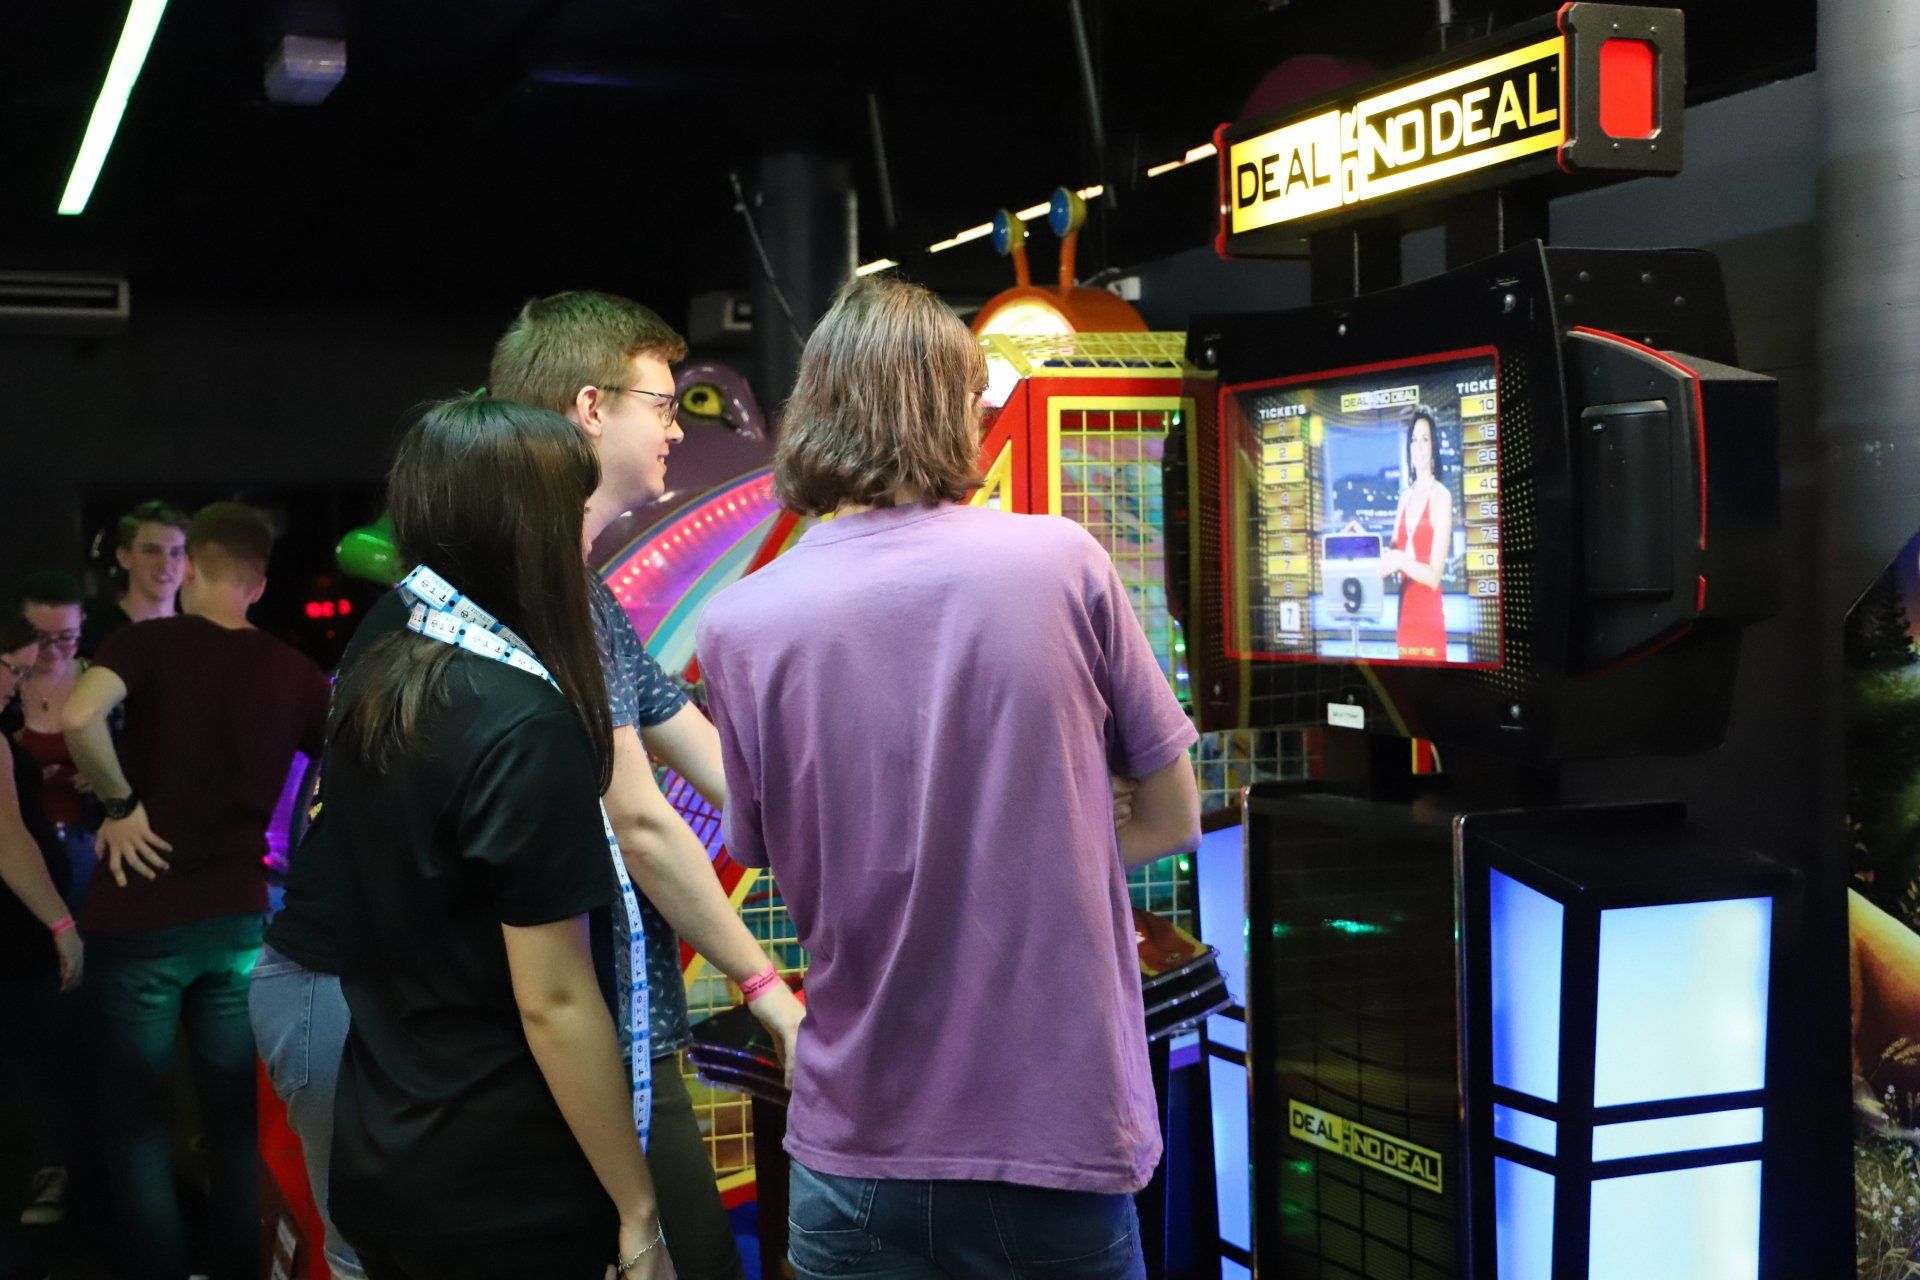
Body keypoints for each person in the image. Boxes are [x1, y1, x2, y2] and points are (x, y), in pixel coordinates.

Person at [257, 291, 800, 1280]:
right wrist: (766, 988)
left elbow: (706, 762)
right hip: (452, 1044)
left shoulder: (505, 618)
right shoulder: (516, 672)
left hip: (442, 1050)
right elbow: (629, 841)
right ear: (586, 413)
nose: (678, 427)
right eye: (663, 402)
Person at [696, 275, 1203, 1280]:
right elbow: (1174, 813)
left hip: (850, 1157)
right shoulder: (1062, 561)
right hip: (1056, 1143)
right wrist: (1050, 848)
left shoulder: (739, 623)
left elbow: (773, 852)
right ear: (948, 407)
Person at [320, 394, 673, 1280]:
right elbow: (552, 1003)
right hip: (505, 1180)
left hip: (389, 1139)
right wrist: (638, 1214)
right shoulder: (519, 720)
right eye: (574, 512)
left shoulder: (384, 653)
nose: (584, 539)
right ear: (528, 528)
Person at [63, 502, 330, 1280]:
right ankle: (236, 1264)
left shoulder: (147, 643)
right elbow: (342, 771)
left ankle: (158, 1269)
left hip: (138, 913)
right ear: (260, 580)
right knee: (235, 1120)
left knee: (139, 1124)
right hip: (241, 918)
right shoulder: (296, 672)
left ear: (193, 568)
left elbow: (81, 716)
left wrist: (121, 806)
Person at [0, 616, 87, 1231]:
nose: (18, 685)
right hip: (13, 927)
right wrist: (63, 925)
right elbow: (8, 842)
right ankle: (50, 1175)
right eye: (13, 669)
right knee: (36, 1054)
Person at [16, 570, 100, 914]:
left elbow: (136, 760)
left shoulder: (98, 682)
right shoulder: (6, 686)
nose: (52, 652)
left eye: (66, 638)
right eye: (39, 637)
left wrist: (103, 776)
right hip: (20, 842)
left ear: (82, 623)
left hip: (89, 840)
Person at [1381, 406, 1452, 662]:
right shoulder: (1404, 498)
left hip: (1429, 624)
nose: (1419, 447)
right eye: (1414, 440)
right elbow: (1390, 557)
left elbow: (1434, 576)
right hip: (1404, 621)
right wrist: (1359, 545)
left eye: (1425, 439)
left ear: (1434, 446)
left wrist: (1400, 561)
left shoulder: (1441, 497)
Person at [83, 499, 188, 654]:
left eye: (176, 553)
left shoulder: (196, 636)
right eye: (152, 551)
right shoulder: (95, 634)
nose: (166, 564)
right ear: (125, 557)